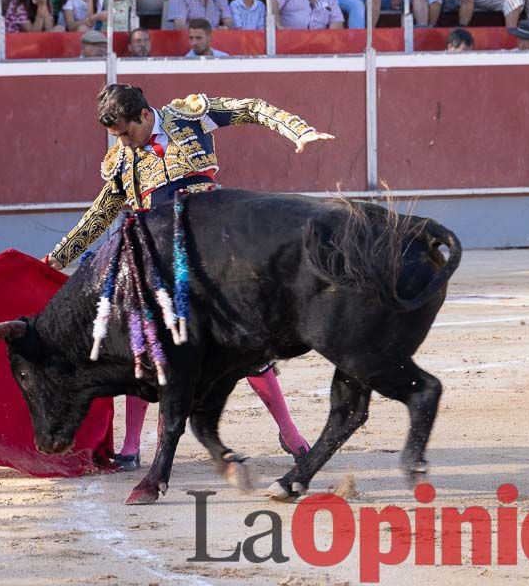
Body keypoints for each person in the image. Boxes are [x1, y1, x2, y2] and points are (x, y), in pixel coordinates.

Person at [44, 83, 332, 469]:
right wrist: (59, 256)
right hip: (159, 257)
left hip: (213, 249)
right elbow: (99, 214)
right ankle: (131, 447)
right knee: (145, 344)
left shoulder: (189, 116)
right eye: (116, 138)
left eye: (126, 133)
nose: (124, 144)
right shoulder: (120, 161)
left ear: (145, 116)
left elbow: (252, 108)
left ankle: (291, 434)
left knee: (246, 340)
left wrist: (298, 131)